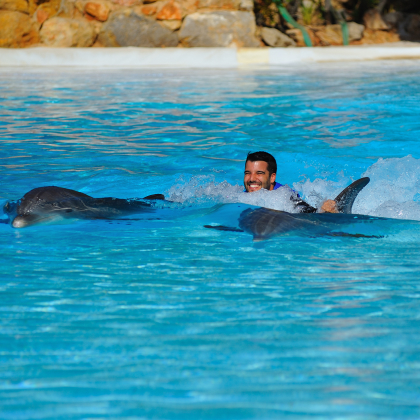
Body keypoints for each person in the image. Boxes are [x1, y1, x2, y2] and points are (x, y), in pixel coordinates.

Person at [243, 151, 337, 213]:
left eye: (259, 173)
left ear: (272, 177)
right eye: (248, 173)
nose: (251, 179)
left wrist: (325, 210)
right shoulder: (242, 195)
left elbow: (312, 215)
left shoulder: (286, 197)